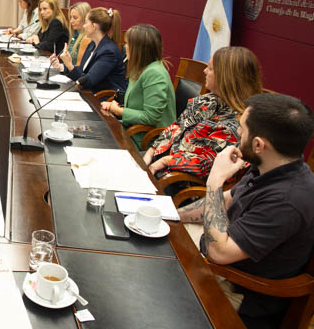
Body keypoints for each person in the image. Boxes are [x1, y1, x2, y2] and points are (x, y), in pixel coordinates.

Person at [177, 93, 314, 328]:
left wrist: (215, 181)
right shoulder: (271, 164)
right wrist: (171, 214)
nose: (237, 133)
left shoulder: (287, 201)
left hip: (240, 292)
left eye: (242, 128)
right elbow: (228, 200)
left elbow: (218, 253)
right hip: (221, 256)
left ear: (259, 145)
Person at [143, 46, 263, 180]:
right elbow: (177, 126)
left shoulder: (238, 124)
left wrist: (166, 161)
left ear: (225, 78)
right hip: (160, 160)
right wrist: (151, 151)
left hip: (179, 179)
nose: (204, 71)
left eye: (210, 68)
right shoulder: (206, 100)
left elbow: (210, 165)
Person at [100, 24, 176, 149]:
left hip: (147, 140)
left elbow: (150, 117)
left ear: (139, 48)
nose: (125, 47)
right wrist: (115, 107)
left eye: (128, 43)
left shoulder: (155, 74)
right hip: (133, 130)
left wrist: (118, 111)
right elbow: (138, 104)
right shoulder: (139, 68)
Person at [52, 7, 127, 94]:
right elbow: (83, 70)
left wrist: (69, 64)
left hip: (104, 98)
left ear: (94, 26)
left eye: (86, 22)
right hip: (90, 93)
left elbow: (88, 81)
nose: (83, 26)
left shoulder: (109, 52)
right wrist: (61, 66)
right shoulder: (92, 44)